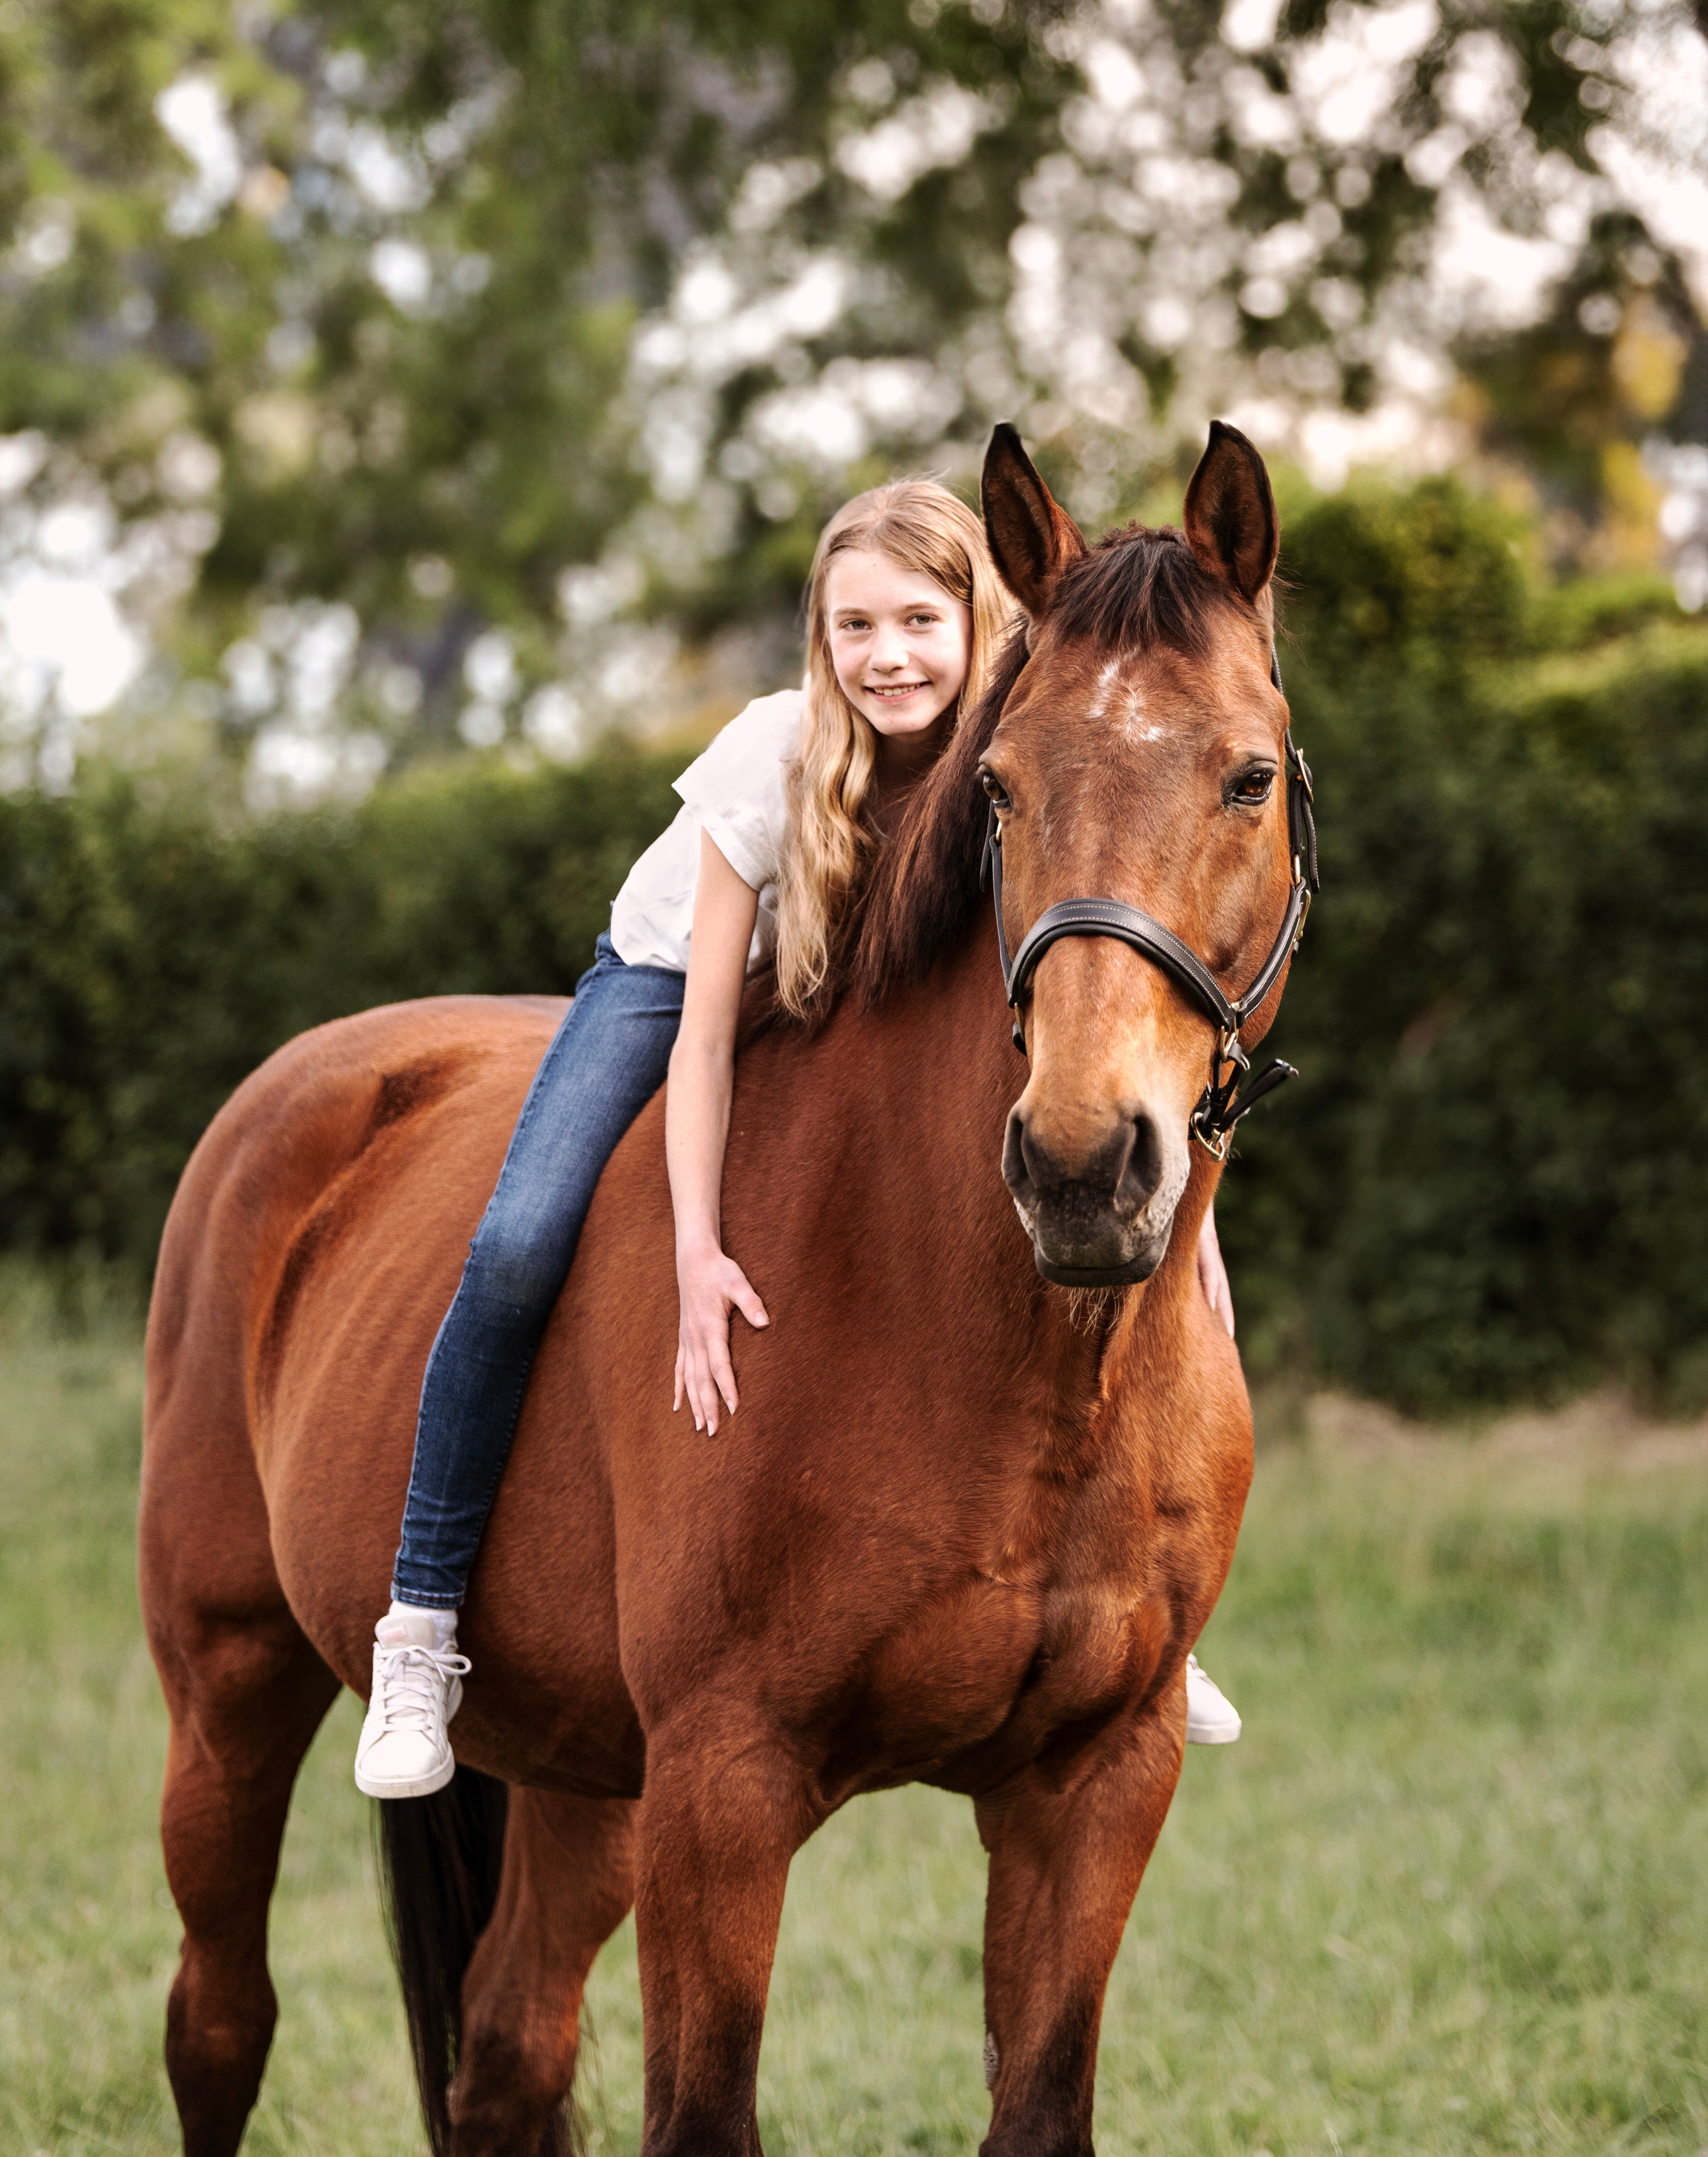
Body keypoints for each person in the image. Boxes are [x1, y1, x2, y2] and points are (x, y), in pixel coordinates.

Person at [355, 477, 1242, 1798]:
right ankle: (421, 1625)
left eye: (919, 621)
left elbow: (1087, 1013)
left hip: (847, 990)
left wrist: (1199, 1223)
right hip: (676, 983)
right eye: (852, 627)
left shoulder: (1025, 751)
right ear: (819, 644)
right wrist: (700, 1252)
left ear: (980, 619)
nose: (887, 656)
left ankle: (1146, 1635)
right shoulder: (778, 751)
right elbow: (707, 1032)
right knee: (521, 1239)